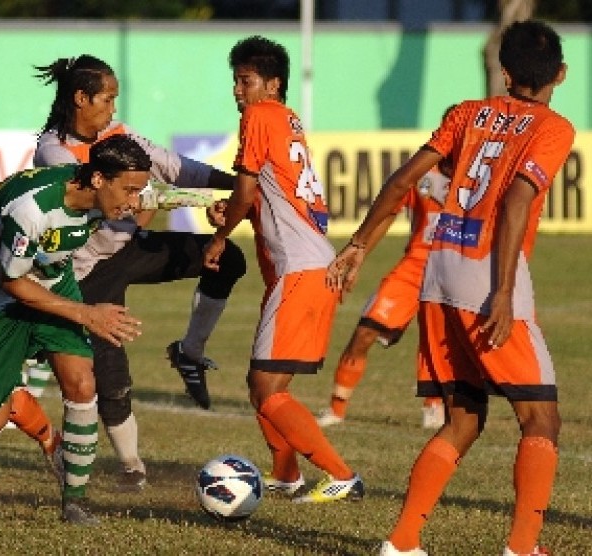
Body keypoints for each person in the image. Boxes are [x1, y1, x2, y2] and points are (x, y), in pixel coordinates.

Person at [327, 20, 573, 556]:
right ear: (561, 73)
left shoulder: (465, 114)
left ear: (504, 72)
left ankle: (402, 541)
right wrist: (504, 292)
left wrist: (360, 245)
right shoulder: (554, 128)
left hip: (437, 273)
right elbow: (514, 203)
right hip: (487, 276)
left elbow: (400, 182)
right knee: (541, 417)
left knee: (463, 417)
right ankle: (523, 549)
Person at [32, 55, 247, 491]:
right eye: (108, 99)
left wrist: (239, 186)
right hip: (87, 271)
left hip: (128, 248)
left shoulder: (117, 134)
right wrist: (200, 201)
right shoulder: (53, 152)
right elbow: (127, 197)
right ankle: (132, 468)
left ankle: (189, 352)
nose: (113, 108)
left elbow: (172, 165)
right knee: (110, 379)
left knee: (230, 258)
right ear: (81, 98)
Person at [0, 133, 151, 525]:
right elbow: (12, 281)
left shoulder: (110, 193)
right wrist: (86, 314)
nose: (134, 202)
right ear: (98, 180)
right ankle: (1, 378)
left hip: (50, 281)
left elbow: (162, 196)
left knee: (82, 382)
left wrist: (222, 204)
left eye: (138, 191)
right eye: (129, 191)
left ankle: (74, 502)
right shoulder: (33, 210)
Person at [204, 35, 364, 503]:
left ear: (272, 84)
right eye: (235, 80)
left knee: (265, 385)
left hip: (301, 270)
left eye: (246, 81)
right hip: (311, 267)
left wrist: (220, 235)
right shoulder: (287, 121)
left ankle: (340, 475)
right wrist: (233, 210)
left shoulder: (259, 115)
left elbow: (249, 190)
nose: (238, 90)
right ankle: (286, 474)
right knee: (266, 385)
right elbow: (267, 198)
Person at [317, 163, 452, 430]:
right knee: (365, 331)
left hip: (456, 267)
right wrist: (361, 253)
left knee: (438, 339)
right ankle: (336, 410)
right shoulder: (424, 173)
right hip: (415, 265)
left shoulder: (480, 175)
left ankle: (434, 405)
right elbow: (389, 210)